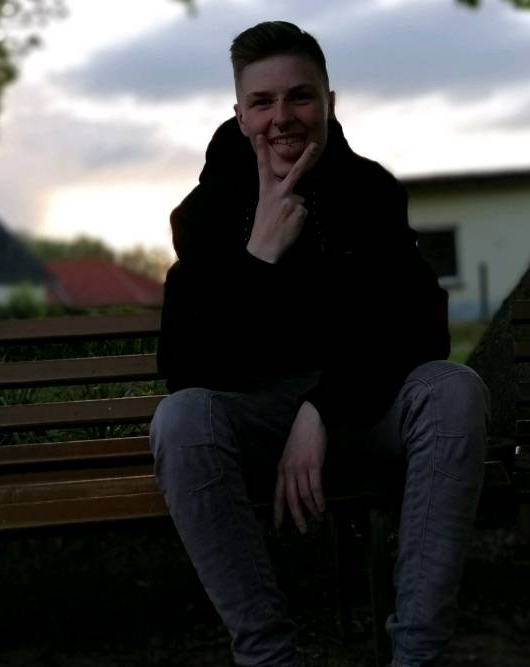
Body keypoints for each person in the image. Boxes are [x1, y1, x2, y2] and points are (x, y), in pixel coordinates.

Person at [150, 20, 489, 667]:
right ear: (240, 115)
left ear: (328, 103)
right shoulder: (208, 213)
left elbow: (421, 330)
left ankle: (417, 653)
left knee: (453, 390)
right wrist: (257, 257)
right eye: (262, 102)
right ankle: (269, 658)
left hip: (359, 417)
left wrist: (323, 409)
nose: (282, 117)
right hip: (253, 426)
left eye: (299, 96)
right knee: (181, 419)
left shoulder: (370, 194)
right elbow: (185, 364)